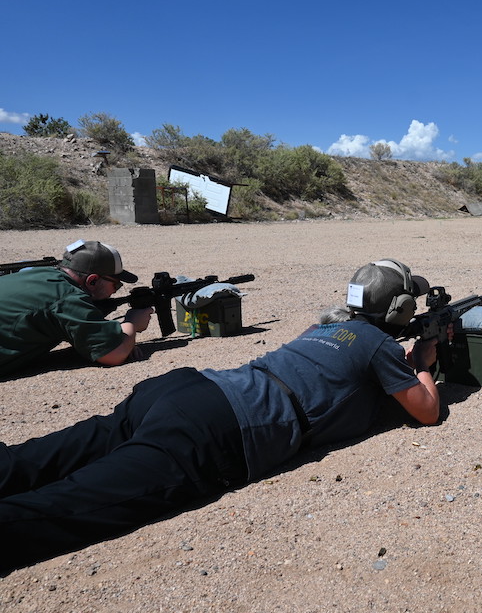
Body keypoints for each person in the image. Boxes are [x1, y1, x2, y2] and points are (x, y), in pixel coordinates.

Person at [0, 259, 446, 574]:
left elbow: (332, 366)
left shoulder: (322, 326)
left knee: (48, 456)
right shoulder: (379, 346)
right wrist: (421, 362)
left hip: (184, 388)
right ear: (400, 309)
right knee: (76, 503)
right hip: (216, 429)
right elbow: (426, 412)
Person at [0, 239, 154, 377]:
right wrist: (132, 323)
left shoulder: (40, 273)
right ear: (92, 281)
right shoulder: (67, 297)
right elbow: (114, 353)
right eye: (116, 284)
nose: (115, 290)